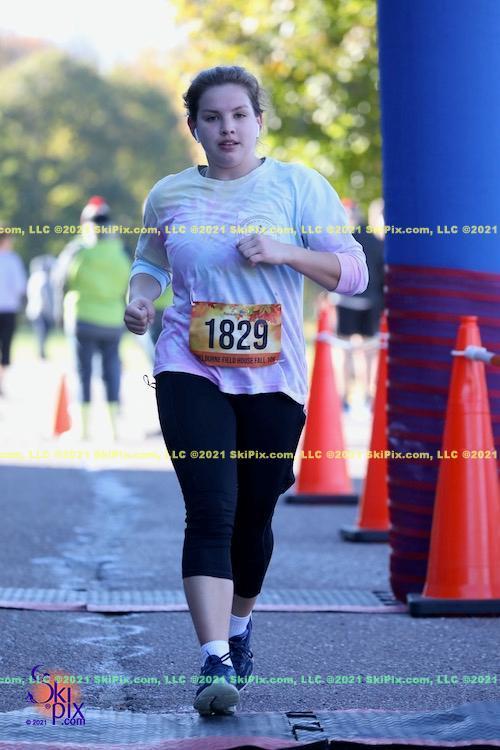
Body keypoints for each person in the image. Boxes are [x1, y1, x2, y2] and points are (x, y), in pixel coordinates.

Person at [124, 65, 368, 716]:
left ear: (259, 121)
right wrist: (140, 299)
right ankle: (213, 659)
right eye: (212, 118)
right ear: (194, 127)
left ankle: (238, 628)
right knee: (211, 509)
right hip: (188, 365)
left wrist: (286, 253)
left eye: (239, 115)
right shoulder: (169, 194)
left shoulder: (298, 186)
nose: (227, 128)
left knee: (254, 514)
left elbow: (353, 273)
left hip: (273, 376)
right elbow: (150, 262)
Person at [55, 197, 131, 440]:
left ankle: (84, 430)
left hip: (83, 318)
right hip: (113, 320)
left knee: (83, 372)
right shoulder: (120, 250)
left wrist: (58, 314)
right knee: (112, 372)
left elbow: (60, 281)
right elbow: (129, 284)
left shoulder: (77, 248)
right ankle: (114, 429)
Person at [333, 198, 385, 409]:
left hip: (346, 300)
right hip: (371, 302)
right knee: (369, 351)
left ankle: (343, 397)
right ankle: (368, 397)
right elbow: (382, 275)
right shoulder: (375, 240)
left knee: (344, 350)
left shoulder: (342, 240)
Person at [0, 229, 27, 396]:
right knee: (5, 347)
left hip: (7, 308)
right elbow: (19, 286)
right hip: (8, 309)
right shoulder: (12, 260)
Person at [26, 254, 56, 359]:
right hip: (41, 311)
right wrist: (51, 312)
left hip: (33, 310)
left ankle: (41, 352)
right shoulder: (44, 278)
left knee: (40, 332)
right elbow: (46, 297)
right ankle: (41, 353)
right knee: (42, 333)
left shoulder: (33, 277)